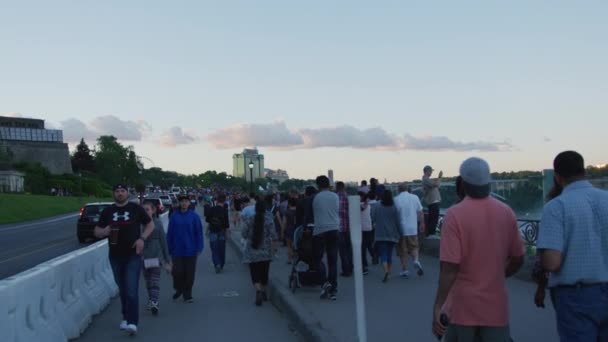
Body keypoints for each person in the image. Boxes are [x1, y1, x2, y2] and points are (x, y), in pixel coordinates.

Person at [432, 157, 524, 341]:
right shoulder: (506, 212)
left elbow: (449, 268)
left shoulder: (454, 214)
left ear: (464, 183)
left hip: (463, 308)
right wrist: (499, 274)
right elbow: (518, 258)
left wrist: (438, 305)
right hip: (496, 308)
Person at [537, 151, 608, 341]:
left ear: (558, 177)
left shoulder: (556, 207)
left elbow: (552, 263)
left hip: (576, 296)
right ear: (584, 171)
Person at [94, 184, 155, 336]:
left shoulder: (136, 209)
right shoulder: (108, 211)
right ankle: (125, 316)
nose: (120, 193)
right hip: (115, 255)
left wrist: (142, 238)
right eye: (117, 191)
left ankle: (133, 322)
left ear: (128, 193)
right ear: (113, 194)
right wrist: (104, 231)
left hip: (133, 254)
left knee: (131, 289)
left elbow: (150, 224)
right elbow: (96, 231)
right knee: (122, 288)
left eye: (122, 191)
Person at [241, 195, 278, 306]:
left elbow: (244, 233)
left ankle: (258, 290)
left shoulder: (250, 219)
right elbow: (274, 235)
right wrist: (274, 249)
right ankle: (264, 291)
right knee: (264, 273)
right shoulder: (269, 219)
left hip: (252, 250)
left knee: (254, 274)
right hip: (266, 251)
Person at [166, 194, 204, 303]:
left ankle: (187, 295)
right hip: (177, 250)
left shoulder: (194, 217)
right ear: (179, 203)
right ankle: (179, 289)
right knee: (177, 273)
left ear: (189, 203)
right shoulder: (174, 216)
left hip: (191, 250)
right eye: (182, 201)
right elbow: (170, 233)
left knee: (189, 274)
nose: (184, 203)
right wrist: (168, 248)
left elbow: (199, 233)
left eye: (186, 201)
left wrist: (199, 247)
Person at [312, 175, 340, 301]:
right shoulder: (335, 196)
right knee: (332, 260)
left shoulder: (316, 197)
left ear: (318, 186)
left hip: (320, 230)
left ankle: (324, 282)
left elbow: (314, 213)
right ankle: (333, 288)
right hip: (334, 229)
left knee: (317, 259)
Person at [141, 200, 171, 316]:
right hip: (143, 257)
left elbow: (163, 241)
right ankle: (151, 299)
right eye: (142, 210)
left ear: (153, 211)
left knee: (154, 280)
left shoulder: (157, 223)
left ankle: (154, 301)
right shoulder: (138, 224)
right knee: (148, 281)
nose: (145, 212)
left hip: (156, 257)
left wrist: (167, 260)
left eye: (147, 210)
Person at [394, 183, 425, 278]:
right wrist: (422, 223)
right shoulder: (415, 197)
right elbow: (420, 211)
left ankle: (405, 270)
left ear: (398, 189)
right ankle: (415, 260)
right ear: (408, 189)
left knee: (402, 250)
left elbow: (394, 215)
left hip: (401, 229)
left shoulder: (396, 199)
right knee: (414, 246)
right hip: (413, 228)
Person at [371, 190, 401, 283]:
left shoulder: (377, 206)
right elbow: (398, 222)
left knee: (383, 254)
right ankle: (390, 272)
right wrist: (400, 233)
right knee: (389, 254)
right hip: (392, 234)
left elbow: (373, 218)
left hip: (380, 234)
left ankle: (386, 271)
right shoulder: (394, 207)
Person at [205, 193, 230, 274]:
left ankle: (217, 264)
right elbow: (227, 224)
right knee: (222, 249)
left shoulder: (212, 209)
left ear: (217, 200)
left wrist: (209, 227)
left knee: (214, 250)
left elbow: (207, 220)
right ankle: (221, 264)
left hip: (213, 231)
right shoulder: (225, 210)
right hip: (222, 231)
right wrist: (227, 234)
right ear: (224, 201)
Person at [336, 181, 353, 277]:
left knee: (342, 251)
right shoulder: (348, 197)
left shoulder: (335, 198)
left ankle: (346, 270)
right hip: (348, 227)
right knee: (349, 249)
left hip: (339, 228)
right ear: (344, 187)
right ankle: (351, 267)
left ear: (337, 187)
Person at [422, 165, 443, 236]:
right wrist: (439, 177)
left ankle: (431, 233)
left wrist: (438, 180)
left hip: (434, 201)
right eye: (430, 171)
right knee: (433, 218)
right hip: (433, 202)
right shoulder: (425, 179)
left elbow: (438, 185)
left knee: (434, 218)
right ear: (427, 171)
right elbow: (436, 184)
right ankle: (431, 234)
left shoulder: (428, 179)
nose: (431, 172)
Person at [359, 192, 374, 275]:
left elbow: (362, 208)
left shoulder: (360, 205)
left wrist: (366, 202)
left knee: (363, 249)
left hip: (361, 229)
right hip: (369, 228)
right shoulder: (369, 206)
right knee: (369, 245)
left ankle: (364, 266)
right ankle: (374, 255)